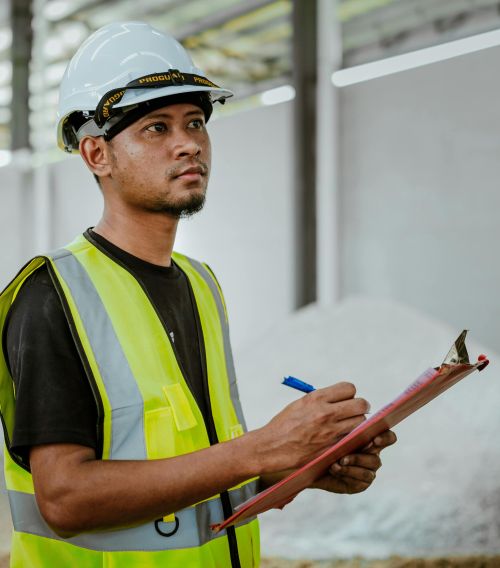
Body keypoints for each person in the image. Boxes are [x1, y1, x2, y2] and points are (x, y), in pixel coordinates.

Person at [0, 21, 396, 568]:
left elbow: (197, 471)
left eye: (195, 123)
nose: (188, 143)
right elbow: (65, 499)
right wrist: (260, 448)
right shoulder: (53, 294)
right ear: (96, 155)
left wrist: (300, 467)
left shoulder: (201, 284)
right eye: (156, 128)